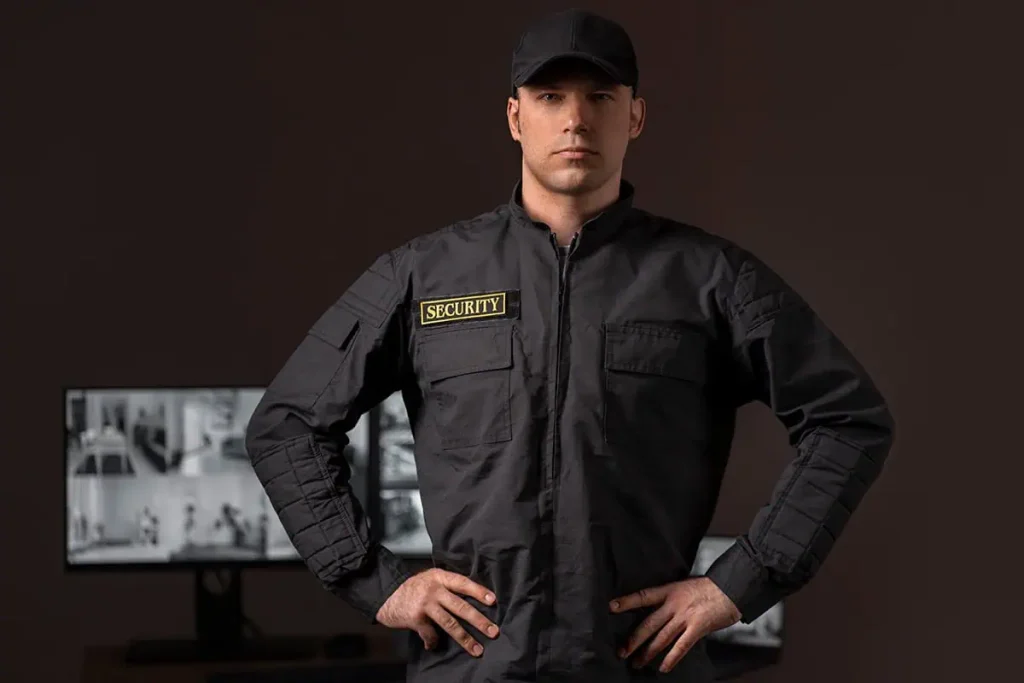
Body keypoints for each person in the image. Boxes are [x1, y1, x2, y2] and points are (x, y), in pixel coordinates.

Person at [244, 8, 895, 682]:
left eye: (600, 98)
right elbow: (286, 425)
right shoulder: (422, 277)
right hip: (473, 667)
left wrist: (742, 580)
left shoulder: (709, 280)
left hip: (639, 665)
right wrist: (374, 580)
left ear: (635, 117)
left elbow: (848, 419)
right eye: (551, 97)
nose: (575, 120)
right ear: (515, 117)